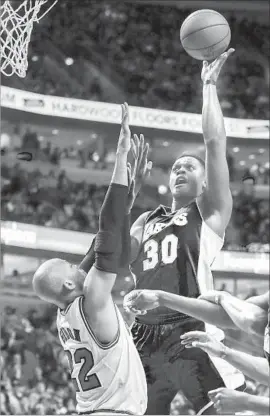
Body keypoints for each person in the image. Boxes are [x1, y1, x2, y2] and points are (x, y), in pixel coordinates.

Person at [125, 48, 245, 415]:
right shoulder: (144, 220)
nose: (178, 170)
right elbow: (114, 259)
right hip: (143, 337)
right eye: (175, 167)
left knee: (224, 410)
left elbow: (214, 143)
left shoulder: (208, 213)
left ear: (205, 183)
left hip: (190, 329)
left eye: (189, 167)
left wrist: (208, 85)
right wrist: (123, 198)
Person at [33, 103, 148, 416]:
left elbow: (96, 248)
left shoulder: (67, 312)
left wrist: (126, 204)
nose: (78, 265)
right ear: (70, 282)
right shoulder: (93, 301)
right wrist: (121, 154)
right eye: (71, 267)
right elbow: (106, 233)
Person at [124, 289, 270, 414]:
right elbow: (232, 315)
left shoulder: (256, 318)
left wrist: (249, 402)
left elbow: (252, 320)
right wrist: (160, 298)